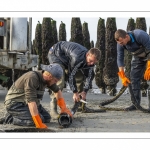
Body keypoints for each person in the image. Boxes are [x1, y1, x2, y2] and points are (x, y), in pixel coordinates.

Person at [0, 63, 72, 128]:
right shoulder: (32, 78)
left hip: (26, 103)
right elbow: (31, 102)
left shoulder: (47, 80)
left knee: (47, 118)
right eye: (56, 81)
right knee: (34, 121)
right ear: (50, 76)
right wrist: (38, 123)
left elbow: (57, 91)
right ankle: (10, 118)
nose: (56, 83)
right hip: (15, 104)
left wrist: (63, 109)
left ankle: (19, 115)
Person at [48, 41, 102, 119]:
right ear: (87, 55)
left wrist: (84, 92)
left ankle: (80, 104)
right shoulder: (77, 57)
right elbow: (71, 75)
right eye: (90, 61)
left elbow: (90, 77)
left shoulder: (90, 62)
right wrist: (75, 93)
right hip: (56, 53)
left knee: (80, 76)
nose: (91, 64)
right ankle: (53, 108)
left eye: (94, 62)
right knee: (60, 79)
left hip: (68, 58)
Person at [114, 29, 150, 111]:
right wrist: (122, 75)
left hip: (149, 53)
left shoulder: (140, 35)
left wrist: (149, 68)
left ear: (126, 36)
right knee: (134, 78)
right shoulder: (120, 43)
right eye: (119, 43)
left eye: (122, 42)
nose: (121, 44)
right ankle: (135, 103)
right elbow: (120, 59)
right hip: (138, 56)